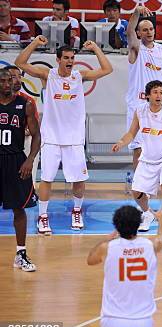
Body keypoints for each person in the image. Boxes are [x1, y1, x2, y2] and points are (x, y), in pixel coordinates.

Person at [15, 36, 113, 234]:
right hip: (51, 137)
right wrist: (34, 43)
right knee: (47, 179)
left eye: (72, 58)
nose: (70, 61)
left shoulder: (79, 76)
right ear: (58, 59)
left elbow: (107, 69)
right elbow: (20, 63)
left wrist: (95, 48)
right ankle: (43, 217)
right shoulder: (47, 76)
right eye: (66, 58)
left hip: (74, 138)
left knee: (78, 179)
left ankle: (77, 212)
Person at [112, 80, 162, 244]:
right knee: (136, 192)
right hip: (148, 157)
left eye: (161, 92)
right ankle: (148, 212)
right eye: (155, 92)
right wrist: (121, 142)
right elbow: (131, 134)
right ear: (147, 96)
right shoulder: (140, 111)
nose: (159, 95)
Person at [87, 205, 162, 327]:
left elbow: (90, 260)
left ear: (116, 225)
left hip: (113, 323)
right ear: (138, 223)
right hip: (143, 324)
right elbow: (161, 239)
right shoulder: (149, 246)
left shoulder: (107, 248)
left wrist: (107, 238)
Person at [0, 68, 40, 272]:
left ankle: (21, 254)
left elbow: (36, 135)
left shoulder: (25, 104)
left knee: (19, 209)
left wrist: (30, 159)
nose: (7, 85)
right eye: (3, 81)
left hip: (16, 160)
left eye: (10, 81)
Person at [126, 5, 162, 169]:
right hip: (138, 105)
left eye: (151, 29)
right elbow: (129, 32)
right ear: (139, 33)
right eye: (144, 30)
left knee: (158, 147)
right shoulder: (136, 48)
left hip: (159, 106)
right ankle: (137, 185)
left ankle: (155, 180)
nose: (149, 32)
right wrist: (136, 12)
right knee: (138, 148)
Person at [7, 65, 40, 191]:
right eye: (13, 77)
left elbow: (34, 126)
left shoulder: (28, 101)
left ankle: (29, 191)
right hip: (4, 139)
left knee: (32, 142)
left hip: (23, 140)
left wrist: (24, 131)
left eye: (19, 77)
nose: (18, 80)